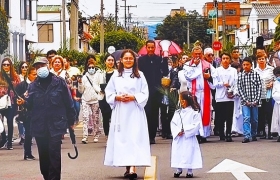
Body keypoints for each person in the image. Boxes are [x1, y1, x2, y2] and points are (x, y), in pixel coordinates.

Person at [16, 57, 76, 180]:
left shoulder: (59, 82)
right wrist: (23, 102)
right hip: (39, 126)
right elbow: (29, 104)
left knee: (54, 156)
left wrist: (71, 121)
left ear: (48, 66)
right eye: (37, 67)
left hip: (56, 125)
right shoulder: (32, 86)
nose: (39, 69)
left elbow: (68, 102)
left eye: (42, 66)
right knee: (44, 159)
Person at [104, 49, 151, 179]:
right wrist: (117, 98)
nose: (128, 60)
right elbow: (109, 92)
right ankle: (127, 166)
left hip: (135, 110)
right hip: (121, 111)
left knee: (134, 137)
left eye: (131, 58)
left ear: (134, 60)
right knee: (123, 138)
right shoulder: (116, 75)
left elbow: (145, 93)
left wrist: (133, 97)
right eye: (126, 58)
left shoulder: (139, 75)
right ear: (121, 60)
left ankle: (132, 168)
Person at [184, 46, 217, 143]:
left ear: (202, 54)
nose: (198, 55)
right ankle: (196, 134)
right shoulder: (187, 65)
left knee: (205, 113)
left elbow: (215, 78)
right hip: (194, 93)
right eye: (196, 54)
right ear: (192, 54)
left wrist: (209, 77)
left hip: (205, 93)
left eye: (199, 54)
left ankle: (204, 134)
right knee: (195, 113)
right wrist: (195, 66)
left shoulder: (208, 65)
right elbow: (189, 77)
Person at [138, 40, 168, 144]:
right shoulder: (141, 60)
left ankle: (152, 136)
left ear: (155, 48)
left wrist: (165, 59)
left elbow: (165, 72)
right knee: (146, 112)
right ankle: (145, 134)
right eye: (149, 47)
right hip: (145, 90)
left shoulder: (159, 59)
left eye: (152, 47)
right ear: (146, 48)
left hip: (156, 90)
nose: (150, 49)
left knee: (155, 113)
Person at [171, 91, 203, 178]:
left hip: (188, 137)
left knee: (189, 152)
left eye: (181, 99)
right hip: (180, 136)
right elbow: (173, 123)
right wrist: (178, 131)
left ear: (185, 101)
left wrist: (185, 130)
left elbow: (196, 124)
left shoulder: (194, 112)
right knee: (179, 152)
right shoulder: (178, 112)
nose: (180, 101)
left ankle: (189, 170)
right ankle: (179, 169)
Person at [237, 57, 262, 143]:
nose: (245, 66)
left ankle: (254, 134)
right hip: (245, 102)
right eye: (244, 65)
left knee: (254, 119)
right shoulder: (240, 76)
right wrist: (245, 100)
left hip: (255, 101)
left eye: (247, 64)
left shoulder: (256, 74)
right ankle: (247, 135)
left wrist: (256, 100)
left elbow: (259, 88)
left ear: (251, 65)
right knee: (246, 118)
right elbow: (240, 89)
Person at [214, 53, 238, 142]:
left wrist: (233, 91)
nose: (225, 60)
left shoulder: (233, 71)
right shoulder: (217, 70)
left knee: (229, 116)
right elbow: (215, 84)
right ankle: (221, 133)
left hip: (229, 96)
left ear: (230, 60)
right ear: (221, 60)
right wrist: (223, 84)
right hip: (220, 96)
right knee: (220, 117)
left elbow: (236, 82)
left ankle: (228, 133)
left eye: (227, 58)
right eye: (223, 58)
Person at [15, 66, 37, 160]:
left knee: (34, 133)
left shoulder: (37, 84)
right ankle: (27, 153)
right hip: (26, 112)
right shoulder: (22, 85)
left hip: (36, 111)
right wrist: (21, 98)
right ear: (28, 75)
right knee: (28, 132)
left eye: (36, 74)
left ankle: (31, 153)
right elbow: (16, 97)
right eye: (34, 74)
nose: (35, 76)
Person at [78, 56, 101, 144]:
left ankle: (96, 135)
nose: (91, 69)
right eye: (89, 67)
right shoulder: (84, 77)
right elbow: (81, 91)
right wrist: (80, 83)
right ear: (87, 68)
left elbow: (100, 87)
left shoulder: (98, 76)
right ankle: (85, 136)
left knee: (95, 118)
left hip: (95, 100)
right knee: (85, 118)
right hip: (85, 100)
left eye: (93, 67)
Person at [0, 57, 21, 150]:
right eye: (4, 65)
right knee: (0, 122)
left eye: (7, 64)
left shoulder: (15, 76)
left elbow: (19, 88)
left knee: (9, 121)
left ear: (10, 66)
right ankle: (3, 138)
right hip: (1, 101)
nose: (6, 66)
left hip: (11, 102)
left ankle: (9, 143)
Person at [95, 54, 117, 140]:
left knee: (114, 116)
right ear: (105, 61)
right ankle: (107, 135)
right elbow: (95, 84)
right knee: (105, 117)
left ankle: (114, 135)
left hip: (114, 97)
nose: (110, 62)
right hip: (103, 97)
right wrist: (100, 90)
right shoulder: (100, 73)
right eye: (109, 60)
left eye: (112, 60)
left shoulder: (117, 73)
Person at [254, 53, 274, 139]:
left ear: (266, 59)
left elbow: (275, 79)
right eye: (259, 59)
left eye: (263, 58)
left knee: (269, 114)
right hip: (259, 95)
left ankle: (270, 132)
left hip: (269, 95)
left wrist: (272, 83)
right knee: (260, 114)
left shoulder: (271, 69)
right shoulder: (255, 70)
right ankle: (261, 131)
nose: (261, 60)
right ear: (257, 61)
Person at [271, 66, 280, 142]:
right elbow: (274, 94)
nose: (278, 77)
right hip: (278, 103)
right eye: (277, 75)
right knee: (278, 119)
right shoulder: (276, 83)